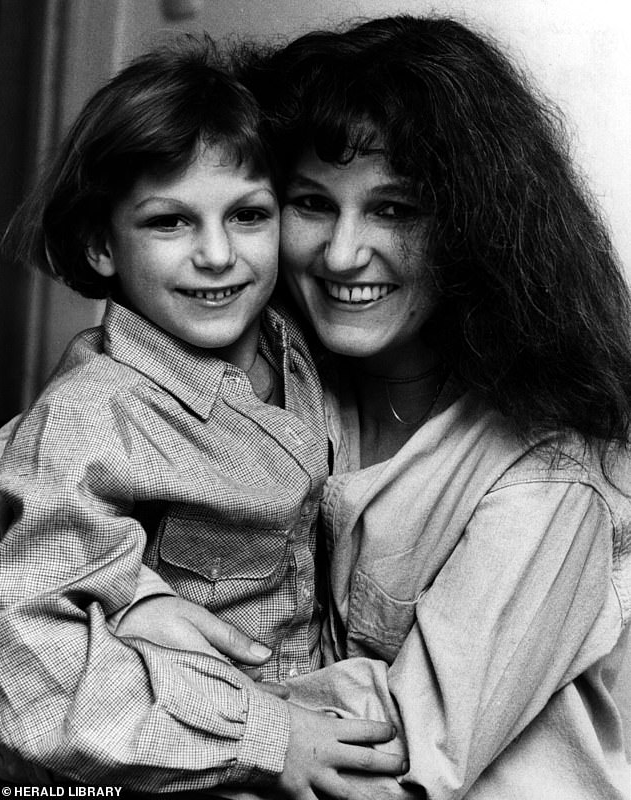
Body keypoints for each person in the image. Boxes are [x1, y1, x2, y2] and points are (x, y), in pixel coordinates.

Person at [115, 14, 631, 799]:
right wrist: (128, 603)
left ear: (477, 226)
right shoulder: (273, 385)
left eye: (395, 210)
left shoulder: (554, 469)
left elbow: (394, 762)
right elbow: (48, 553)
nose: (344, 253)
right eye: (312, 204)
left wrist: (157, 688)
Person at [0, 37, 406, 796]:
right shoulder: (91, 417)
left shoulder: (298, 346)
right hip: (179, 764)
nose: (217, 255)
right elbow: (23, 662)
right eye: (170, 223)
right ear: (101, 242)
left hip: (317, 711)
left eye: (248, 215)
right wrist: (268, 737)